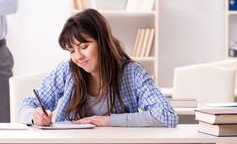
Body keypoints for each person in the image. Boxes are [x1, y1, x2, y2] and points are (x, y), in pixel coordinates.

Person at [19, 9, 177, 127]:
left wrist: (107, 121)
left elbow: (166, 115)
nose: (78, 56)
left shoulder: (132, 73)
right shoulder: (67, 71)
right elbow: (27, 104)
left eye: (84, 46)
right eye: (72, 50)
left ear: (102, 42)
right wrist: (35, 115)